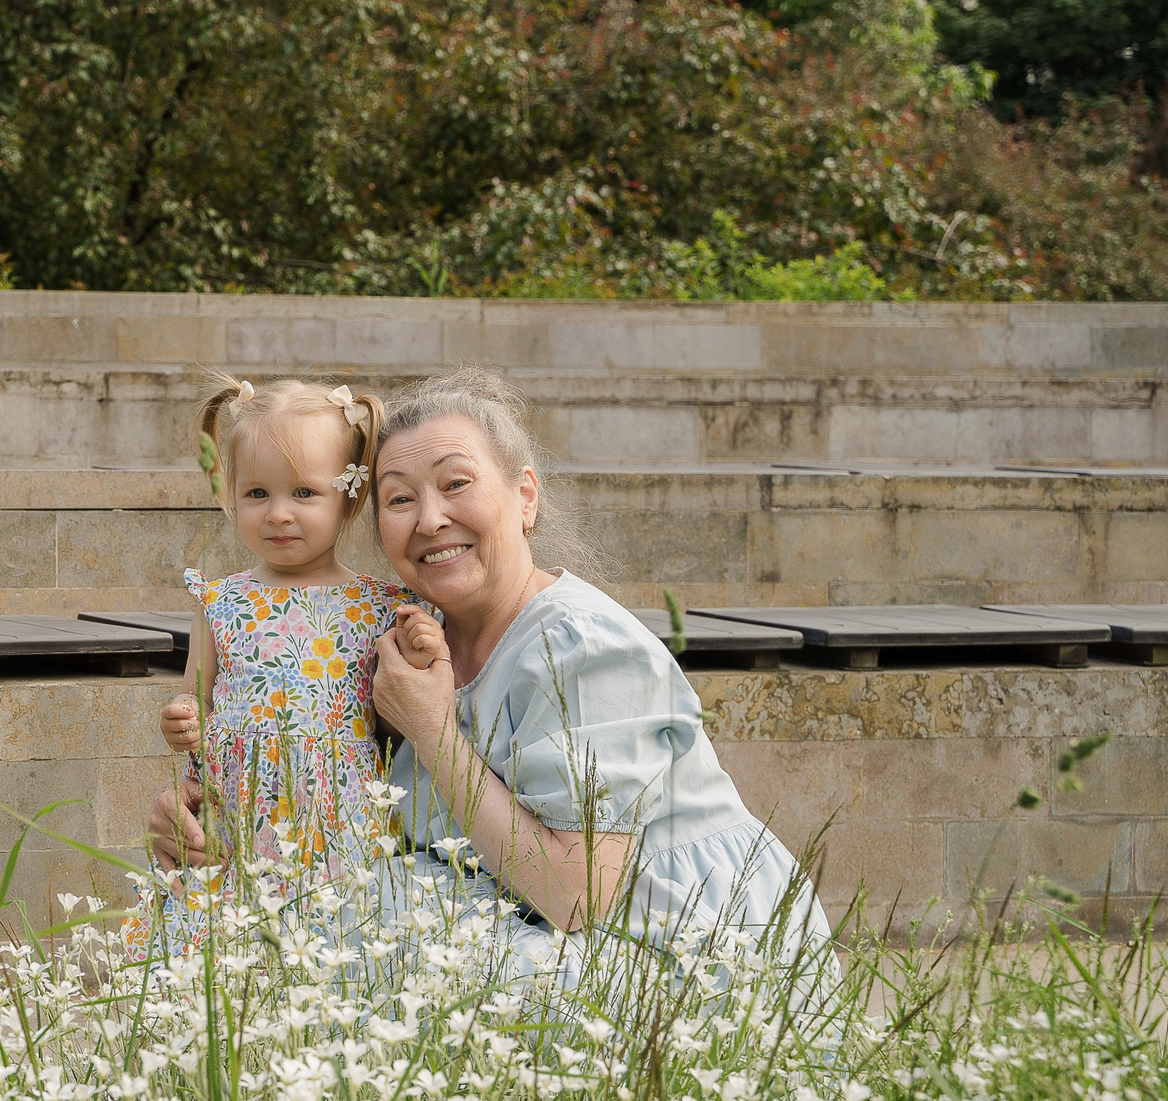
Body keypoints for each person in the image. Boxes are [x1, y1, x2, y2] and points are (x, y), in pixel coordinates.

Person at [147, 367, 831, 981]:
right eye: (400, 498)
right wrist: (211, 821)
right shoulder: (407, 640)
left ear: (525, 496)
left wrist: (431, 729)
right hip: (531, 924)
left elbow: (577, 895)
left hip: (678, 946)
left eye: (456, 483)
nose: (432, 517)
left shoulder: (579, 644)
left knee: (370, 962)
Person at [130, 375, 405, 958]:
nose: (278, 514)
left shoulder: (380, 606)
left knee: (331, 947)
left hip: (338, 813)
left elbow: (399, 713)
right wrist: (181, 720)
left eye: (303, 493)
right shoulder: (222, 601)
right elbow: (196, 701)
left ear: (349, 497)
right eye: (257, 494)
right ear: (232, 493)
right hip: (239, 808)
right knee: (231, 951)